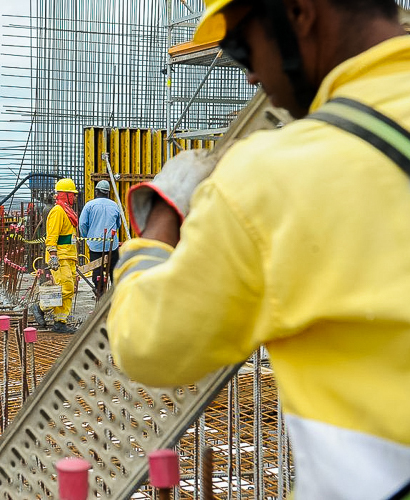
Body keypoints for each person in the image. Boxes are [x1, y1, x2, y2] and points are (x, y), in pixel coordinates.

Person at [107, 0, 410, 498]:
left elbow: (147, 343)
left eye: (241, 47)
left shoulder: (270, 178)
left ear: (299, 12)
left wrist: (160, 217)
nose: (250, 77)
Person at [31, 178, 80, 334]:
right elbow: (51, 237)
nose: (75, 197)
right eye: (72, 194)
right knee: (65, 288)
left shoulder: (68, 213)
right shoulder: (58, 211)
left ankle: (60, 322)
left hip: (69, 257)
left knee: (69, 290)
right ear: (65, 195)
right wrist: (53, 256)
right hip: (59, 258)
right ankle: (40, 307)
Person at [78, 179, 122, 295]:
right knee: (114, 271)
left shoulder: (89, 205)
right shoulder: (115, 205)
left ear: (96, 191)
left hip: (95, 246)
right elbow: (118, 224)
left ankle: (100, 292)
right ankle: (115, 295)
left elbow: (82, 224)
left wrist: (87, 237)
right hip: (112, 244)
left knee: (98, 271)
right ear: (108, 192)